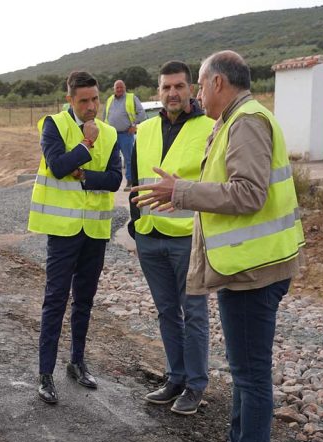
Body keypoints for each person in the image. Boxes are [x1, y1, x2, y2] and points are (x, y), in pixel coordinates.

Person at [132, 51, 305, 442]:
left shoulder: (246, 120)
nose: (197, 93)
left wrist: (181, 191)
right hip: (245, 266)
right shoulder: (236, 118)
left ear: (217, 83)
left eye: (201, 84)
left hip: (254, 270)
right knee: (245, 372)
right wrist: (182, 191)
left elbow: (248, 194)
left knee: (251, 377)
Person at [28, 70, 121, 404]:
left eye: (95, 98)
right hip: (64, 231)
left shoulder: (110, 132)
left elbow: (114, 179)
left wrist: (83, 174)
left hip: (95, 230)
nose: (91, 106)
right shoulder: (53, 125)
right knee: (55, 299)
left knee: (84, 299)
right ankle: (45, 374)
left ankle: (77, 362)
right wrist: (86, 144)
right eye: (84, 100)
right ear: (70, 100)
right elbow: (56, 165)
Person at [127, 61, 214, 415]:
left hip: (189, 237)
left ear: (191, 88)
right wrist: (135, 227)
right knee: (166, 312)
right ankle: (175, 378)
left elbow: (215, 184)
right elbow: (133, 180)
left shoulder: (211, 127)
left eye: (179, 86)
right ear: (158, 92)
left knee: (194, 312)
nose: (173, 93)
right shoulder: (144, 130)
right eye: (166, 87)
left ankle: (195, 385)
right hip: (150, 236)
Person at [103, 79, 145, 191]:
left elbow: (141, 113)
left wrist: (134, 124)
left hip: (126, 134)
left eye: (122, 87)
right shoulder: (109, 100)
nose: (120, 89)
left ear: (125, 88)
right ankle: (110, 182)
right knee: (110, 159)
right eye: (117, 87)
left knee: (129, 159)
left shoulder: (131, 98)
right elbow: (104, 117)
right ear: (114, 89)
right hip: (111, 135)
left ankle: (130, 182)